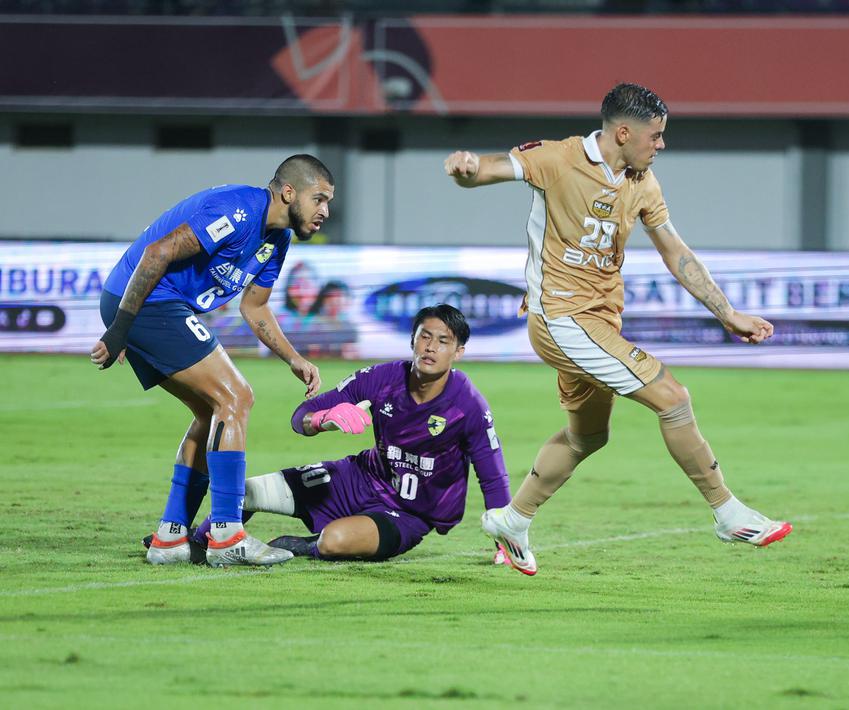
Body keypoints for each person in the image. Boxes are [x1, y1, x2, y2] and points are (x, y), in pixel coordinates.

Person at [443, 82, 792, 576]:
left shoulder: (642, 181)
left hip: (597, 323)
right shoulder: (558, 159)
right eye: (656, 136)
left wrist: (726, 311)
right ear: (623, 132)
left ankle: (513, 520)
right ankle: (727, 512)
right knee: (673, 398)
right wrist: (465, 169)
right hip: (561, 318)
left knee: (588, 437)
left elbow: (675, 250)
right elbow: (489, 169)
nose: (661, 145)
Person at [92, 154, 335, 567]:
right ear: (289, 192)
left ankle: (170, 539)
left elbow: (255, 309)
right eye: (319, 199)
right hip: (147, 301)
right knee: (236, 397)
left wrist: (292, 358)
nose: (325, 211)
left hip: (156, 306)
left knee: (212, 413)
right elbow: (156, 254)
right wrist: (118, 332)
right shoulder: (239, 211)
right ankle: (226, 534)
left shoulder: (277, 240)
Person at [163, 304, 510, 562]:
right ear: (413, 340)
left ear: (458, 352)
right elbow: (301, 416)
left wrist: (504, 545)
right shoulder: (382, 378)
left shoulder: (468, 404)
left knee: (334, 542)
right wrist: (324, 418)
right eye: (425, 337)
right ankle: (198, 541)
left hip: (408, 514)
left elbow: (492, 477)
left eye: (443, 341)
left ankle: (300, 545)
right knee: (247, 492)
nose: (431, 347)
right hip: (355, 478)